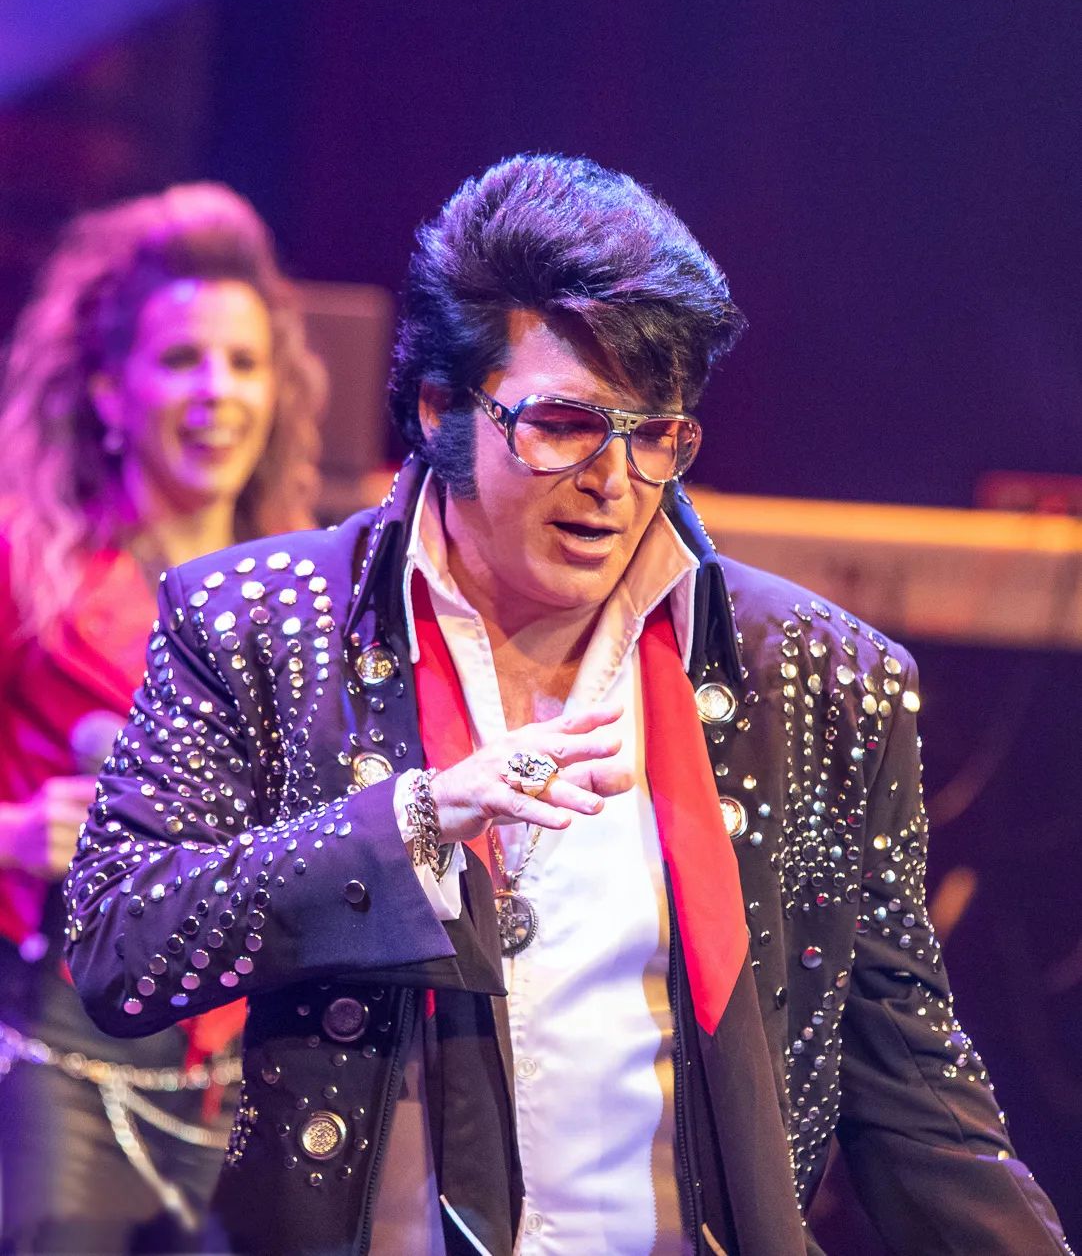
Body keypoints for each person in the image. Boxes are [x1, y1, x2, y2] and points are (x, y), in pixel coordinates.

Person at [64, 155, 1069, 1255]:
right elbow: (120, 941)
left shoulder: (818, 678)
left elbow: (917, 1101)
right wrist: (411, 821)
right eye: (563, 423)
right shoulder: (262, 624)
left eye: (654, 432)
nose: (613, 479)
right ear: (441, 408)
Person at [0, 181, 326, 1254]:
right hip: (56, 1056)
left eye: (243, 363)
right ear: (109, 388)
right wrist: (12, 835)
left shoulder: (312, 595)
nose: (216, 392)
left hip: (244, 1077)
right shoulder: (29, 566)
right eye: (182, 359)